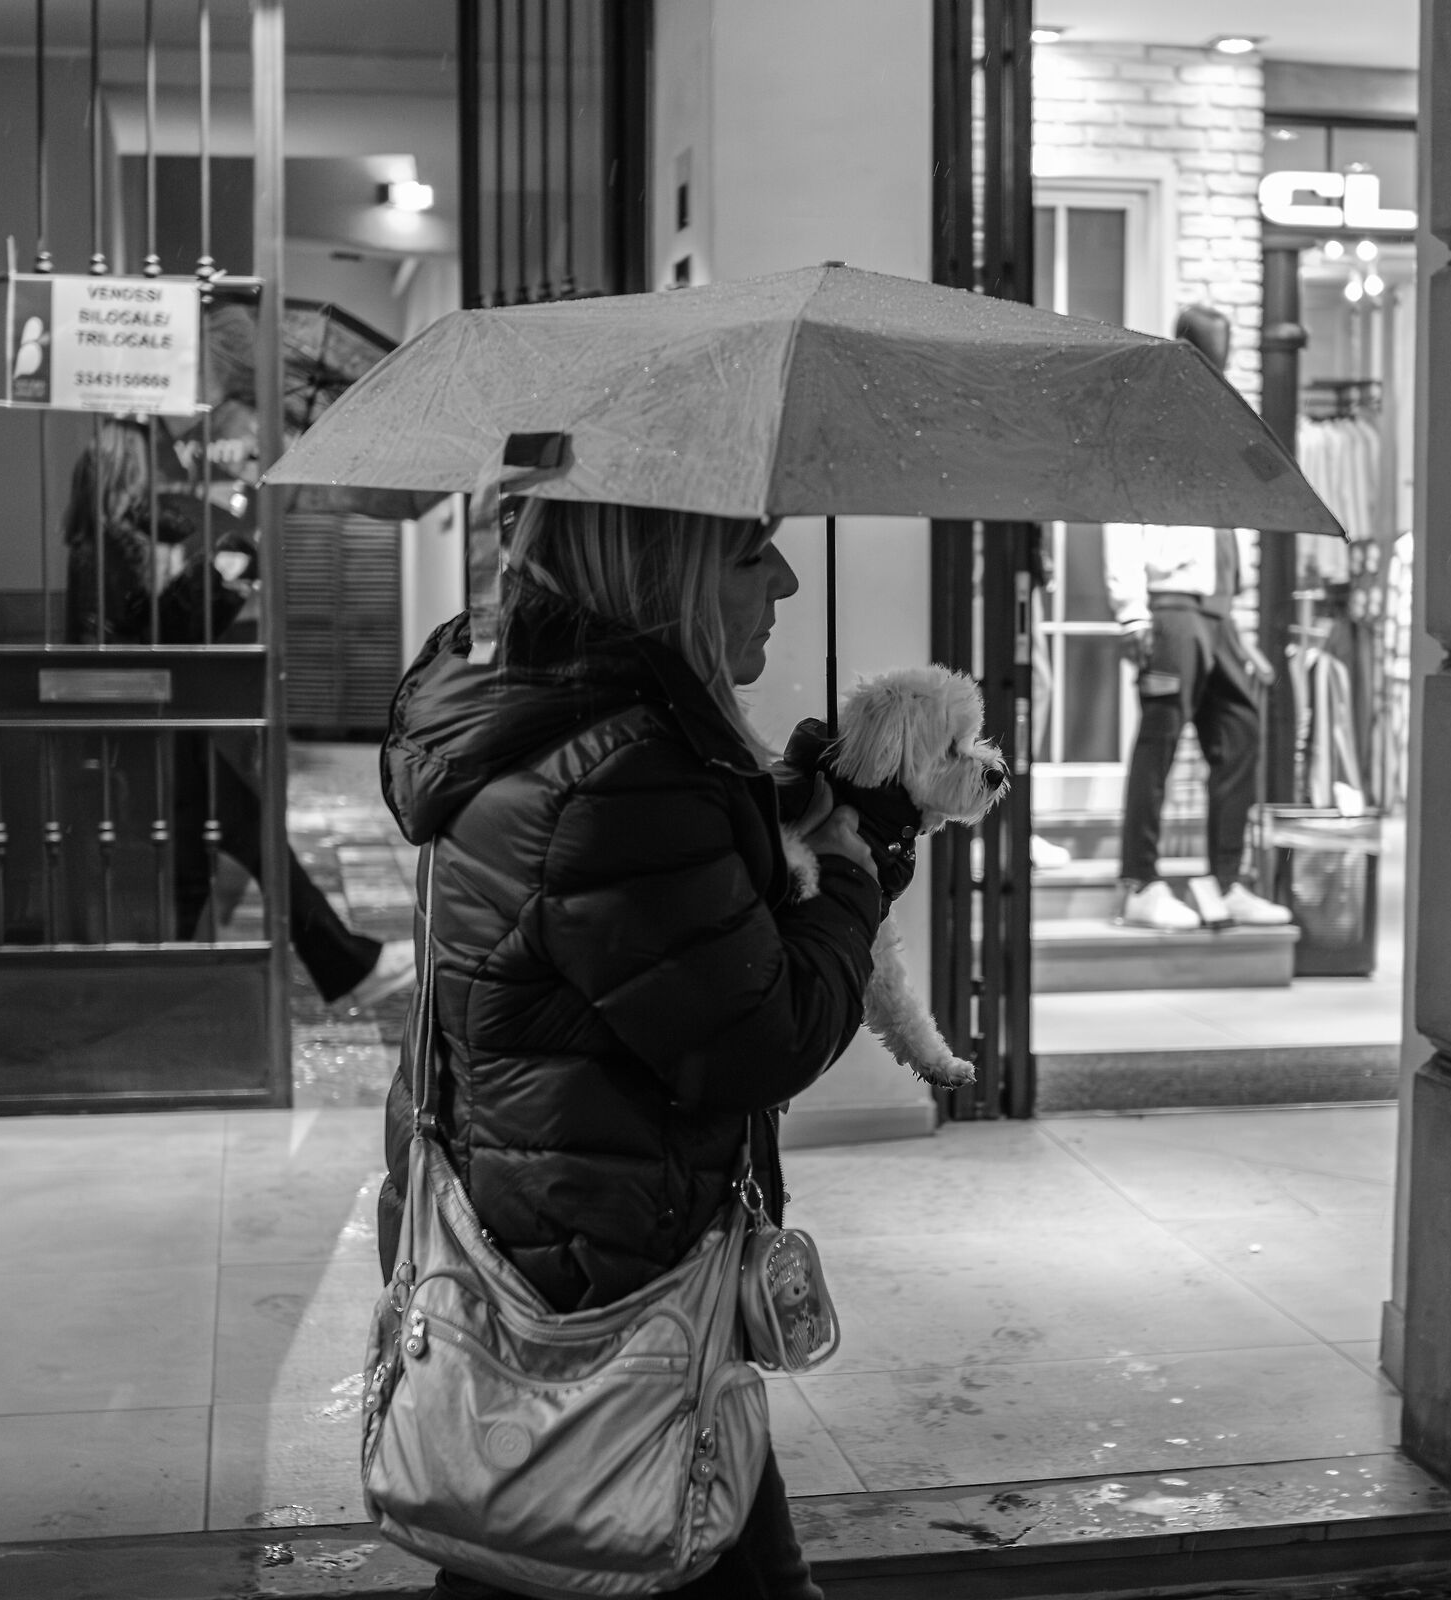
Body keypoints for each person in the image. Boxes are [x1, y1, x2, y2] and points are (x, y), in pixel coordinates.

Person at [376, 500, 888, 1600]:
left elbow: (650, 944)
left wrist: (784, 814)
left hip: (563, 1251)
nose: (786, 581)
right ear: (666, 572)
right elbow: (760, 1036)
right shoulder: (627, 770)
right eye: (750, 553)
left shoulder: (539, 717)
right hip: (611, 1311)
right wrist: (853, 875)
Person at [60, 303, 414, 1009]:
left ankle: (201, 981)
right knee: (231, 840)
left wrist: (223, 564)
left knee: (216, 846)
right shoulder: (108, 549)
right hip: (144, 731)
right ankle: (323, 968)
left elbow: (157, 625)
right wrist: (223, 570)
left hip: (155, 727)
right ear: (122, 472)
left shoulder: (105, 544)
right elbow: (160, 633)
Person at [1101, 306, 1292, 932]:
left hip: (1216, 612)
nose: (1220, 368)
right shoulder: (1150, 424)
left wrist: (1237, 626)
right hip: (1172, 605)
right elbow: (1122, 514)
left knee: (1241, 733)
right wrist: (1132, 614)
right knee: (1159, 742)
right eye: (1212, 356)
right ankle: (1140, 883)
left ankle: (1225, 881)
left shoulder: (1222, 424)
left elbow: (1248, 502)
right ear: (1185, 350)